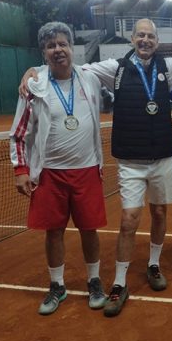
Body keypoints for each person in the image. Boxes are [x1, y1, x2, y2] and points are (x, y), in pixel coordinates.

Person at [20, 19, 172, 317]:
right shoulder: (114, 68)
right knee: (129, 219)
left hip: (162, 158)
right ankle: (119, 282)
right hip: (130, 161)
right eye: (140, 35)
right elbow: (72, 69)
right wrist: (35, 70)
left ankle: (154, 265)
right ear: (132, 38)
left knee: (160, 213)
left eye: (150, 36)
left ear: (157, 41)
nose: (145, 40)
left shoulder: (170, 66)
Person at [10, 21, 107, 315]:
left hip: (87, 169)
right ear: (44, 52)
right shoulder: (34, 85)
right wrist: (21, 170)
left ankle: (94, 281)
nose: (58, 50)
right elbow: (19, 133)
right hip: (49, 173)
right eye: (51, 46)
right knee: (53, 232)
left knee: (89, 230)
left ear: (72, 47)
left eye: (63, 43)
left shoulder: (90, 77)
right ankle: (57, 285)